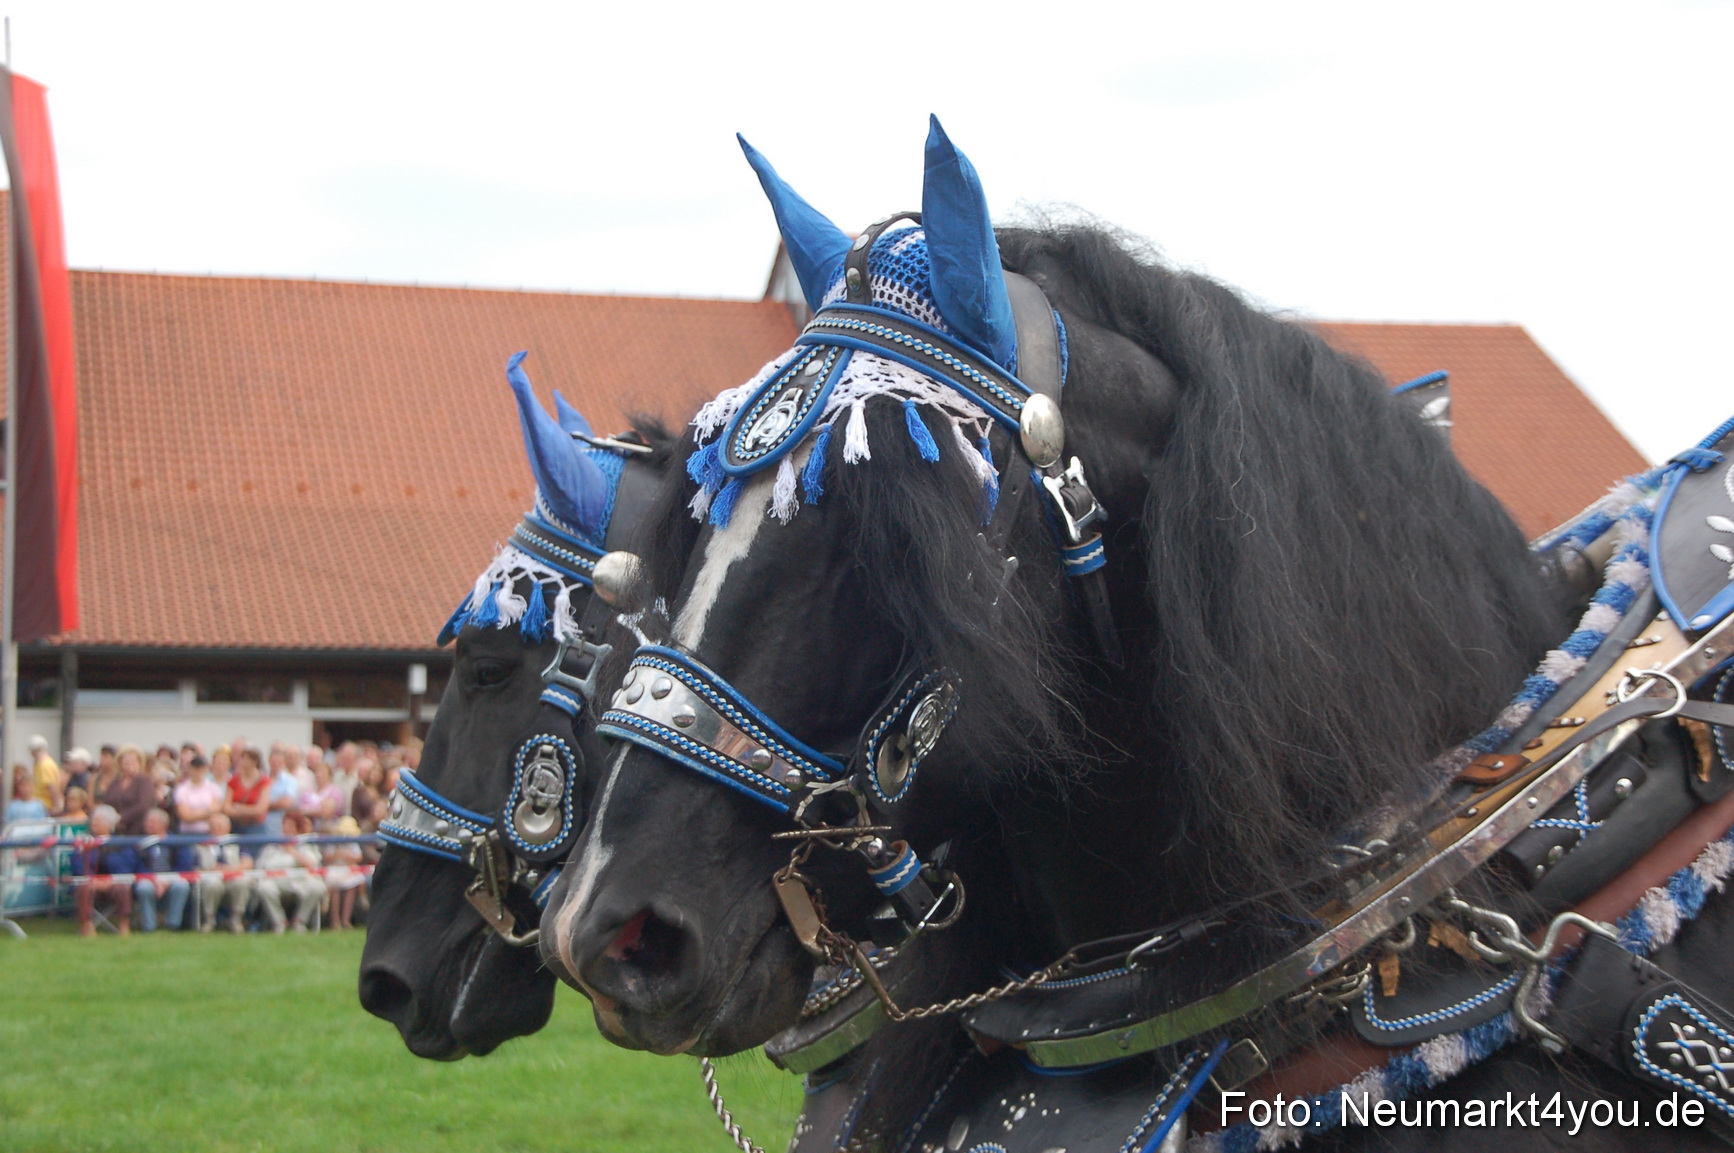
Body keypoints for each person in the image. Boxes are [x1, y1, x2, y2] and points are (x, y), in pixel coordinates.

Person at [255, 811, 325, 932]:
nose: (286, 829)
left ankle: (300, 921)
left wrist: (291, 851)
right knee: (263, 887)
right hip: (277, 881)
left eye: (291, 825)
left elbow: (311, 863)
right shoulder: (274, 844)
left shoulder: (306, 843)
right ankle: (279, 923)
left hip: (301, 880)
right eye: (285, 825)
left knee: (318, 887)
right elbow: (262, 865)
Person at [74, 805, 139, 936]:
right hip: (91, 883)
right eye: (93, 821)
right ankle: (87, 925)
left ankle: (124, 925)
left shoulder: (122, 843)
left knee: (122, 888)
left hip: (113, 883)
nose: (94, 823)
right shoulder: (84, 842)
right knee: (84, 888)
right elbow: (78, 864)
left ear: (110, 825)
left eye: (98, 821)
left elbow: (127, 865)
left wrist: (110, 881)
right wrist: (92, 880)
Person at [134, 808, 190, 932]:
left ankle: (173, 924)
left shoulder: (176, 842)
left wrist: (167, 881)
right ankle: (149, 926)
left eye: (152, 822)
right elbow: (137, 865)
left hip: (172, 878)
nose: (147, 825)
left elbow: (184, 865)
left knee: (182, 886)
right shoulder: (141, 843)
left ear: (163, 825)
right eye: (147, 822)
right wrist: (154, 880)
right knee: (144, 888)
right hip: (149, 879)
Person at [195, 812, 253, 932]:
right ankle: (209, 920)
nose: (216, 828)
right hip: (211, 877)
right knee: (213, 884)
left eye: (220, 825)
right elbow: (198, 867)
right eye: (213, 825)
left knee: (241, 882)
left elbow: (248, 863)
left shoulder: (237, 841)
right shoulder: (201, 844)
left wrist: (229, 870)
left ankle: (236, 920)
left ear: (228, 827)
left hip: (233, 875)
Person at [97, 744, 154, 835]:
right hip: (116, 829)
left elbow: (143, 804)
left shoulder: (144, 781)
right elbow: (107, 802)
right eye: (126, 761)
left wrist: (122, 818)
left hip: (138, 829)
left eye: (133, 761)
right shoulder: (115, 782)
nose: (130, 764)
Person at [324, 815, 366, 930]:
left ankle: (345, 920)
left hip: (348, 869)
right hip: (335, 869)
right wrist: (337, 854)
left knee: (352, 887)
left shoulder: (352, 843)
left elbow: (358, 857)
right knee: (335, 889)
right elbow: (327, 857)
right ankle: (335, 920)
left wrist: (348, 857)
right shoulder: (333, 842)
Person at [226, 748, 271, 844]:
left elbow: (260, 809)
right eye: (242, 758)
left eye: (246, 759)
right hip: (236, 826)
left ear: (254, 762)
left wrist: (240, 808)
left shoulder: (264, 782)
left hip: (255, 827)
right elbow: (227, 807)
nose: (243, 762)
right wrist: (249, 810)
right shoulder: (233, 781)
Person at [173, 755, 223, 834]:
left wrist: (194, 814)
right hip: (188, 833)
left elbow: (217, 809)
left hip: (209, 832)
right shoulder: (181, 789)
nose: (198, 771)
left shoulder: (213, 787)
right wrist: (207, 812)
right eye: (196, 768)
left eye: (201, 768)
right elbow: (186, 816)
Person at [298, 760, 343, 830]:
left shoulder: (335, 792)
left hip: (327, 827)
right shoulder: (308, 792)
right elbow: (301, 810)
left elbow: (328, 811)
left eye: (322, 772)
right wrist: (318, 811)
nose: (319, 775)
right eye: (317, 772)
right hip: (308, 827)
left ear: (329, 775)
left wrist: (310, 811)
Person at [27, 735, 62, 814]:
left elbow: (52, 786)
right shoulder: (40, 763)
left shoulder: (45, 765)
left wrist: (56, 806)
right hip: (40, 804)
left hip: (45, 806)